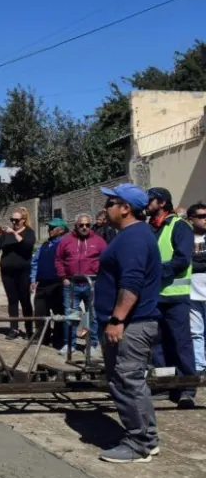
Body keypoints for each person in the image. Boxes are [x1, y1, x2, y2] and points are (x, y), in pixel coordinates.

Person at [95, 183, 162, 463]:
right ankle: (145, 437)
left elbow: (131, 284)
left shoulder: (134, 238)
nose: (106, 207)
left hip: (131, 325)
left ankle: (139, 444)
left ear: (125, 209)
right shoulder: (129, 235)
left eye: (111, 202)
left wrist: (117, 319)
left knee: (127, 381)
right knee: (127, 381)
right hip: (129, 323)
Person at [146, 187, 196, 409]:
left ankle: (187, 387)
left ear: (162, 203)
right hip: (155, 296)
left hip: (175, 296)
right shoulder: (151, 228)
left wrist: (157, 272)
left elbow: (182, 259)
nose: (147, 204)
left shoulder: (180, 226)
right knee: (157, 344)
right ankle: (166, 384)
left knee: (180, 342)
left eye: (151, 200)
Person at [55, 213, 107, 356]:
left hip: (92, 283)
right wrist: (63, 277)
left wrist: (102, 279)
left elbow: (107, 260)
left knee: (92, 315)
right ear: (76, 225)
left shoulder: (98, 241)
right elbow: (59, 259)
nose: (84, 228)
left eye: (87, 225)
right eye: (81, 225)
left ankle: (92, 344)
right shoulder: (66, 241)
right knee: (71, 315)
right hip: (72, 284)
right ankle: (69, 344)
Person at [0, 208, 36, 340]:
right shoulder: (7, 234)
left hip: (23, 272)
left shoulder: (29, 232)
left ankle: (29, 330)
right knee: (12, 300)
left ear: (23, 220)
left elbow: (27, 247)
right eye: (12, 220)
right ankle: (13, 328)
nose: (14, 223)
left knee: (25, 300)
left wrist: (15, 234)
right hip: (7, 272)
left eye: (16, 220)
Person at [30, 217, 68, 348]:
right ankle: (42, 337)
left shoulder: (65, 244)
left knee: (59, 313)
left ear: (61, 230)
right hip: (42, 284)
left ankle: (58, 339)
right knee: (40, 311)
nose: (49, 230)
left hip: (58, 283)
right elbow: (35, 262)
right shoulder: (44, 245)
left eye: (53, 228)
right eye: (49, 227)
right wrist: (33, 279)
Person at [188, 202, 206, 374]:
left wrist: (196, 261)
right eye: (201, 216)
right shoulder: (185, 238)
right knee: (196, 333)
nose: (205, 219)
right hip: (192, 292)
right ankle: (200, 366)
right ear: (191, 219)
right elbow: (185, 262)